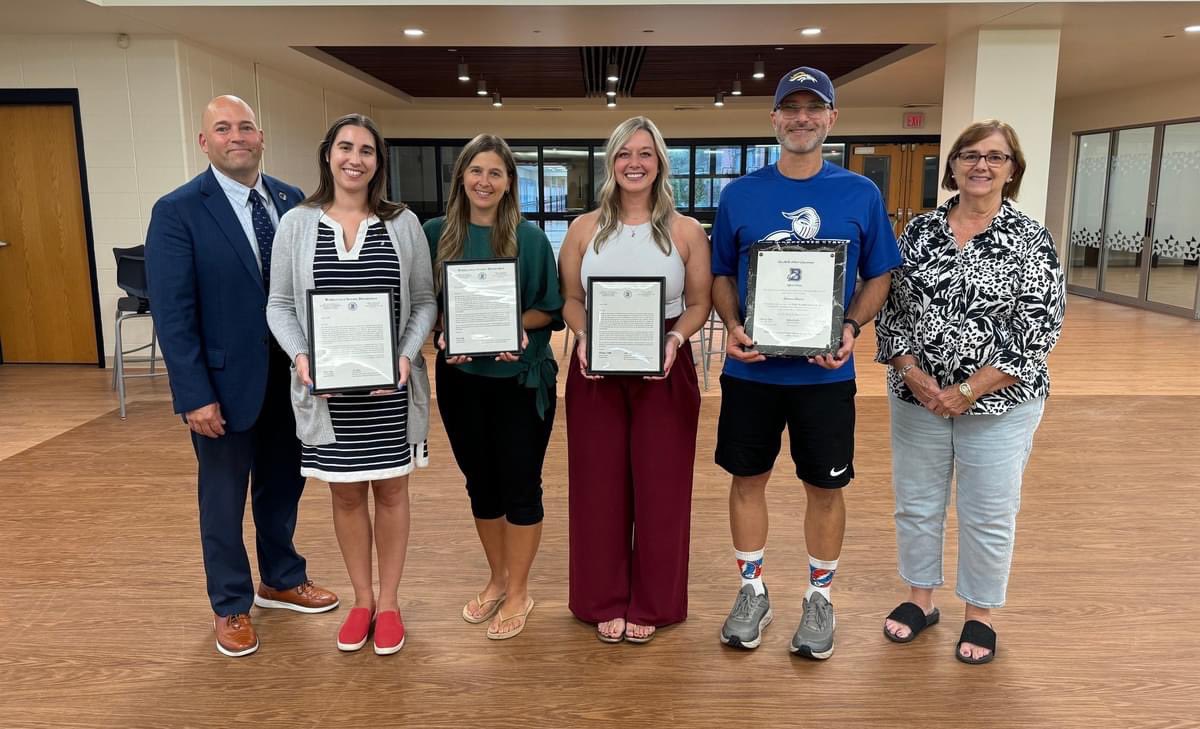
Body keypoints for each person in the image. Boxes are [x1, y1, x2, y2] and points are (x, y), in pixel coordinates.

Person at [711, 67, 900, 659]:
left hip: (825, 374)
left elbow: (880, 275)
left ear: (831, 118)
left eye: (812, 107)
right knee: (748, 480)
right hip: (752, 372)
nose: (801, 118)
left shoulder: (860, 193)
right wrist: (733, 325)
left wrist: (850, 327)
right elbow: (720, 275)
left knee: (825, 486)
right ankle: (752, 590)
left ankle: (820, 597)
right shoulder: (739, 194)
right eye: (790, 108)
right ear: (774, 119)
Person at [146, 95, 338, 658]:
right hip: (223, 387)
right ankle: (230, 603)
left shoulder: (291, 200)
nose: (237, 137)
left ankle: (281, 578)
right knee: (223, 499)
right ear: (204, 142)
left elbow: (312, 287)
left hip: (291, 378)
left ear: (261, 137)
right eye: (223, 128)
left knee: (283, 485)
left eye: (246, 127)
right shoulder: (178, 210)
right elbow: (173, 314)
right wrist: (194, 395)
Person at [874, 120, 1065, 664]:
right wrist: (914, 374)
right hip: (918, 398)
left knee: (988, 511)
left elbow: (1038, 329)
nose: (981, 165)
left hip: (1000, 404)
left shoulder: (1030, 239)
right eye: (970, 155)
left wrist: (967, 390)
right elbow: (893, 312)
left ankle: (979, 614)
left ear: (1012, 170)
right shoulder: (919, 232)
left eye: (995, 157)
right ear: (953, 166)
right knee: (917, 504)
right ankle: (920, 599)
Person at [266, 114, 436, 656]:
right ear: (328, 154)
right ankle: (362, 600)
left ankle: (390, 602)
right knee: (345, 495)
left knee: (392, 491)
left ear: (378, 162)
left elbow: (424, 301)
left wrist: (405, 356)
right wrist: (302, 358)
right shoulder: (297, 223)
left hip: (390, 392)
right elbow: (279, 304)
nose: (354, 159)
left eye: (366, 150)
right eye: (345, 147)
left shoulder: (402, 223)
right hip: (327, 396)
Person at [559, 116, 712, 644]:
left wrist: (675, 340)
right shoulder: (584, 229)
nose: (634, 163)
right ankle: (601, 597)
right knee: (597, 486)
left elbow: (699, 303)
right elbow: (571, 299)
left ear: (660, 163)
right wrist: (583, 336)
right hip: (595, 367)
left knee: (661, 488)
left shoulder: (686, 231)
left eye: (645, 153)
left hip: (664, 365)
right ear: (612, 162)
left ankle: (654, 600)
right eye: (625, 153)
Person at [423, 134, 564, 640]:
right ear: (462, 176)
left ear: (509, 183)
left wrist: (510, 327)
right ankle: (498, 579)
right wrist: (446, 329)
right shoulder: (435, 233)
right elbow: (426, 304)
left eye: (495, 173)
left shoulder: (530, 239)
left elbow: (549, 309)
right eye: (476, 170)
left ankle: (520, 590)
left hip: (519, 380)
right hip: (461, 380)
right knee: (480, 483)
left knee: (521, 485)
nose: (484, 181)